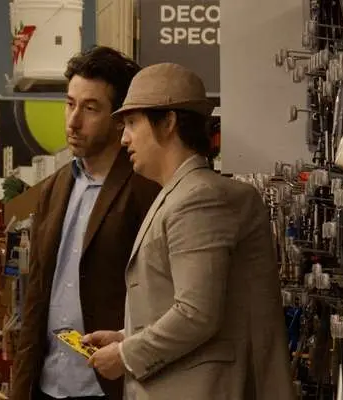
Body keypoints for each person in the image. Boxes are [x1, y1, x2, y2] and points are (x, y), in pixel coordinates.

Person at [83, 63, 294, 400]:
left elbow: (197, 313)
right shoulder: (180, 194)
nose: (124, 138)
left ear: (168, 122)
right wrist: (126, 335)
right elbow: (180, 301)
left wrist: (126, 355)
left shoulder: (199, 198)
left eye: (133, 123)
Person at [10, 47, 160, 400]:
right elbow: (36, 296)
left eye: (90, 108)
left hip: (111, 385)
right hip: (49, 383)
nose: (73, 121)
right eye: (70, 104)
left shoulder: (145, 188)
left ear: (120, 119)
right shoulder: (55, 187)